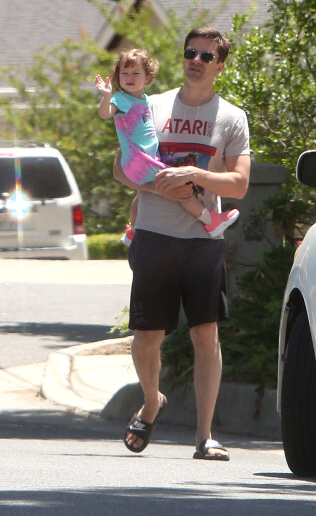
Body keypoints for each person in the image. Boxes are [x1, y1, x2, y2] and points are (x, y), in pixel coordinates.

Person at [113, 28, 251, 461]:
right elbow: (121, 169)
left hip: (203, 241)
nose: (196, 60)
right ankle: (152, 400)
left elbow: (241, 183)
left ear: (219, 66)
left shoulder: (231, 117)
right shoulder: (149, 106)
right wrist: (159, 187)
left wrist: (194, 176)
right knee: (147, 336)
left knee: (206, 336)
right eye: (191, 52)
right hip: (154, 236)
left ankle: (204, 436)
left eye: (206, 56)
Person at [96, 48, 239, 247]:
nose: (129, 77)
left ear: (147, 77)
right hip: (141, 160)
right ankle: (211, 221)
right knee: (182, 188)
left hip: (142, 160)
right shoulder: (120, 99)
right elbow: (106, 113)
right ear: (117, 77)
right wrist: (105, 96)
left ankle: (133, 232)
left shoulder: (145, 100)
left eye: (135, 73)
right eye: (124, 73)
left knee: (141, 195)